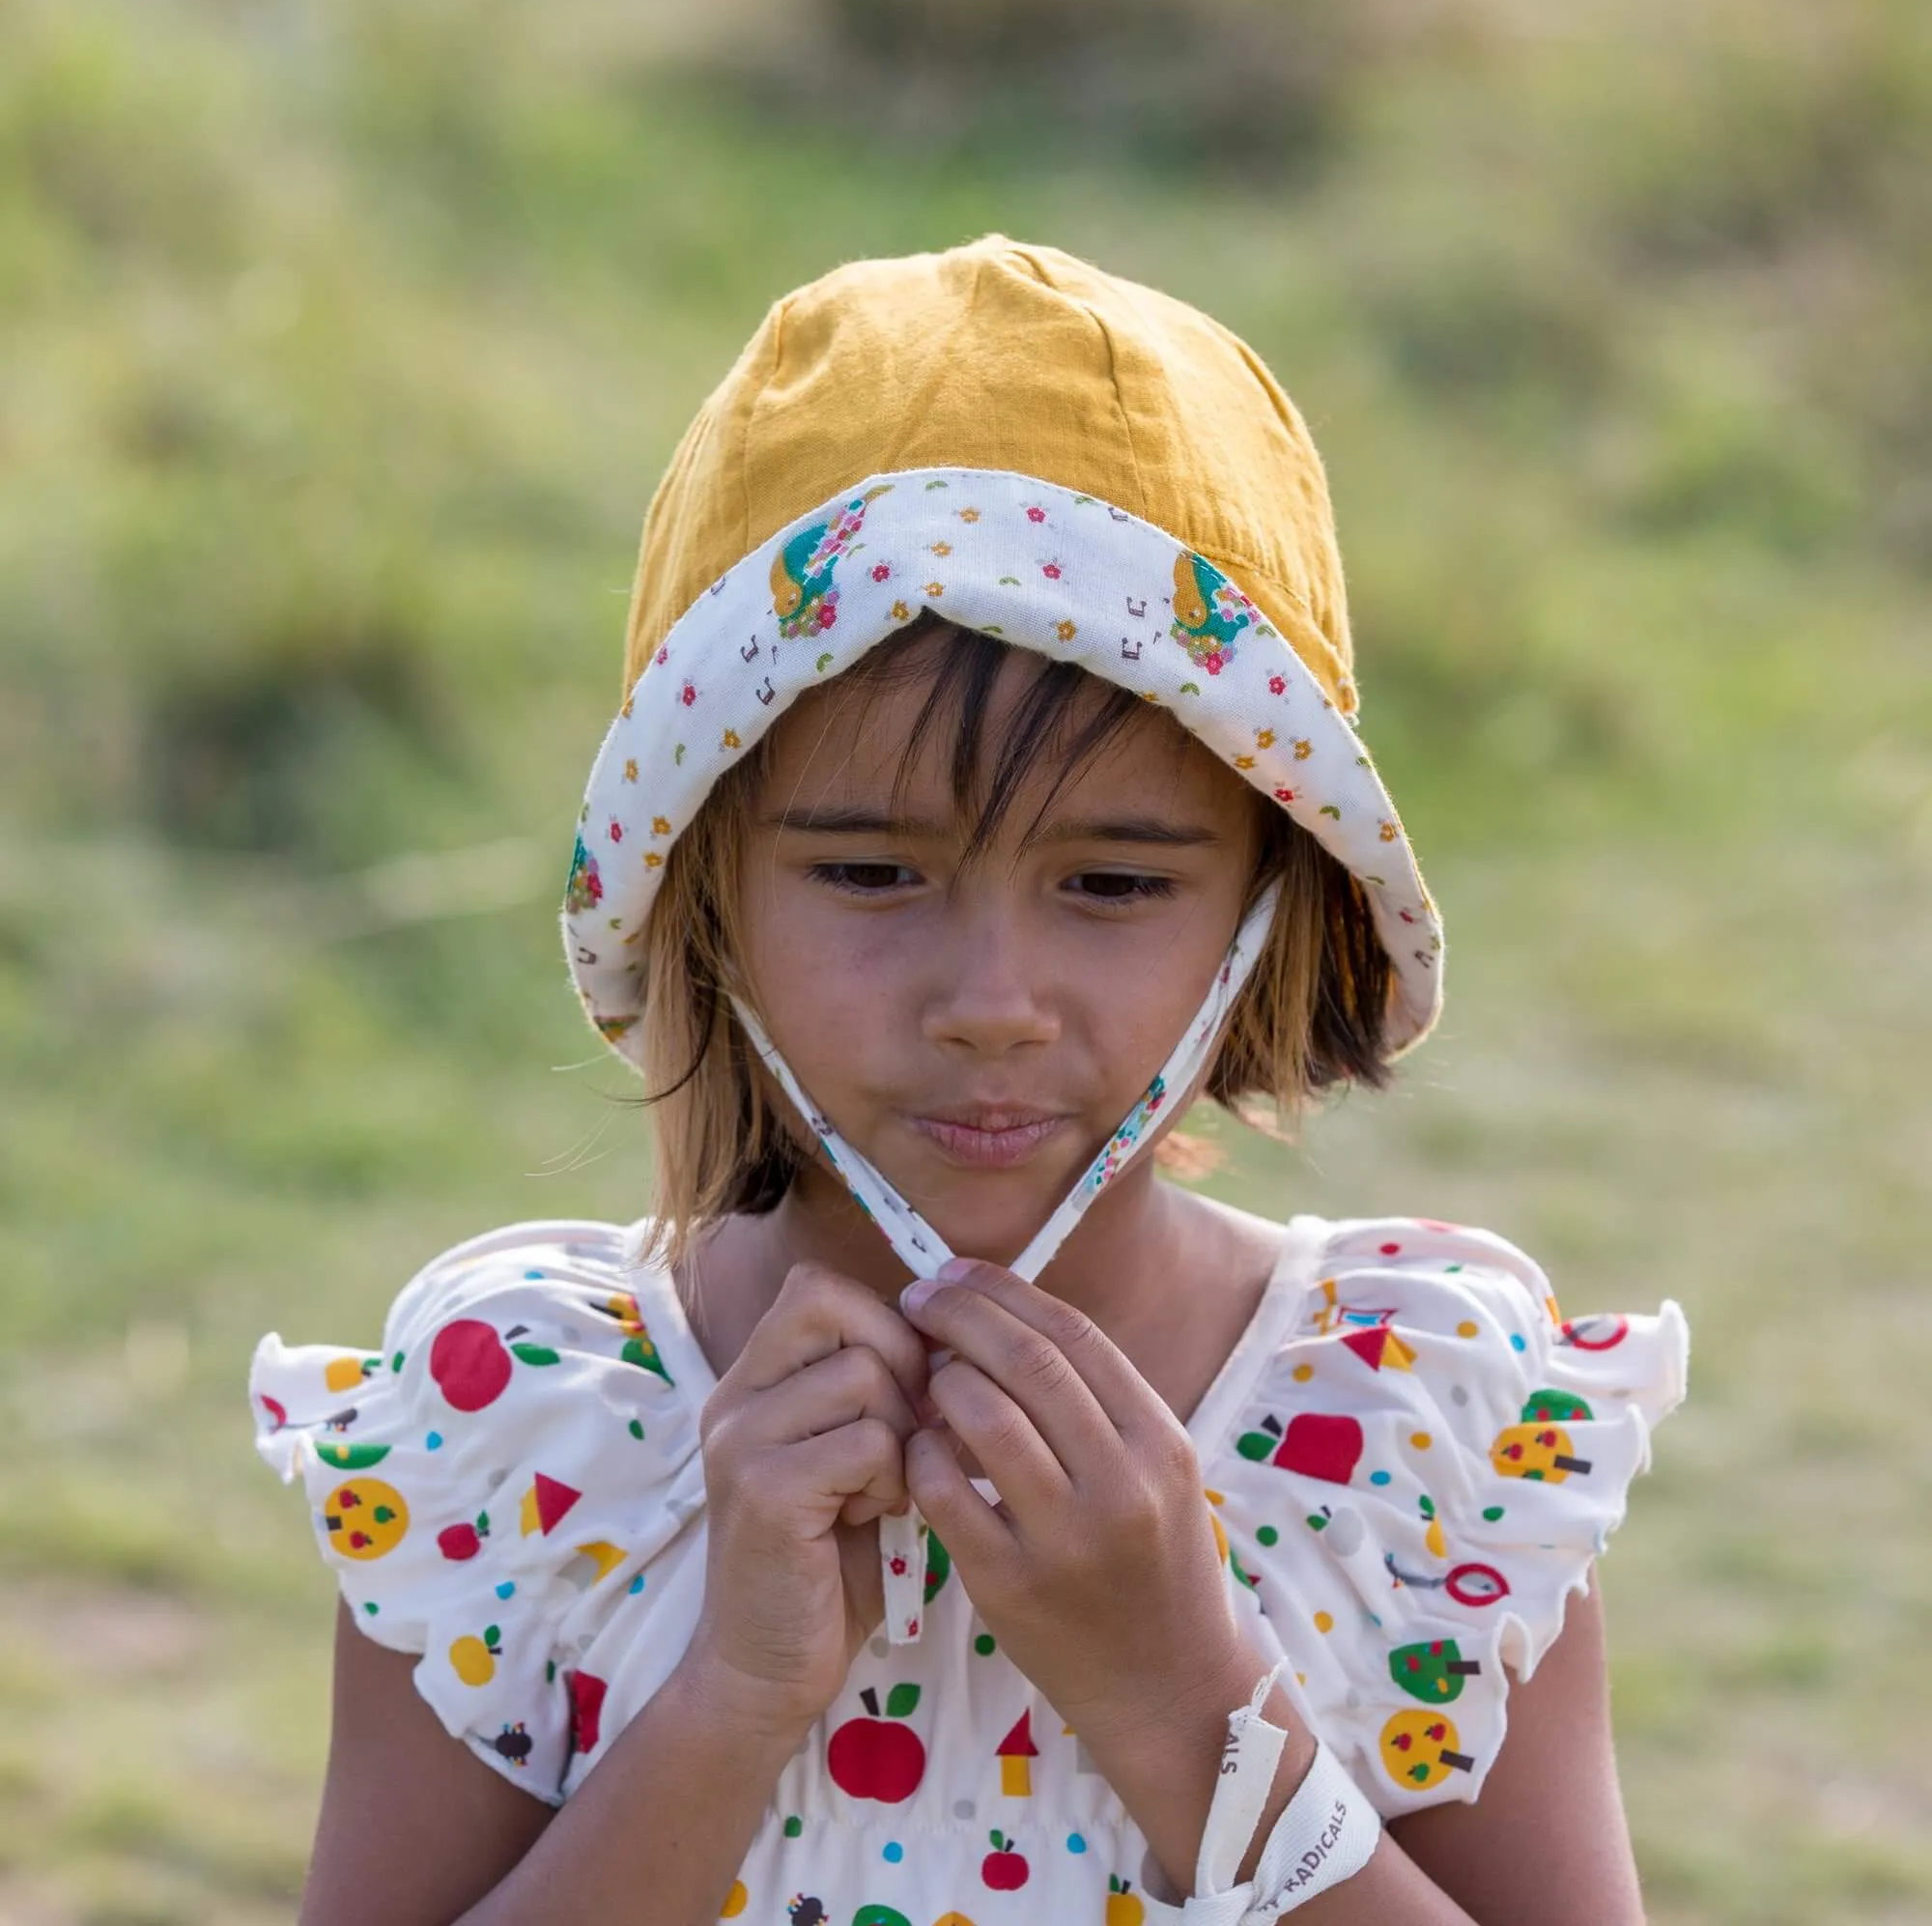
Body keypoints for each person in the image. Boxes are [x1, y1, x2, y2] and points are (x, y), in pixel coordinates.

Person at [249, 235, 1690, 1925]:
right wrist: (728, 1701)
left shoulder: (1418, 1444)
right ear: (698, 892)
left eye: (1116, 884)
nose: (993, 1004)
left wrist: (1184, 1700)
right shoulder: (518, 1436)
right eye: (870, 873)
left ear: (1269, 903)